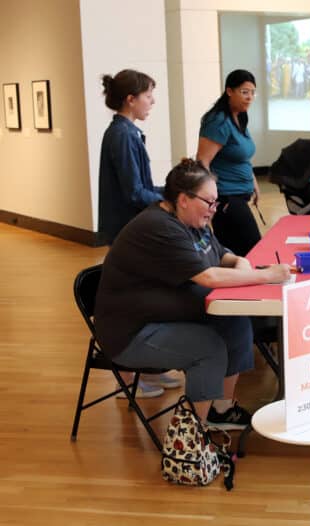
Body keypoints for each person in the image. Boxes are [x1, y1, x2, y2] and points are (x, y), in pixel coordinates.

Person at [94, 158, 291, 427]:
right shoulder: (160, 227)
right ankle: (196, 434)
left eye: (216, 202)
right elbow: (208, 276)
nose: (214, 209)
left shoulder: (192, 222)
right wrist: (266, 275)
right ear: (184, 199)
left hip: (162, 318)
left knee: (236, 323)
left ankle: (220, 411)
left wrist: (241, 265)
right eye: (208, 202)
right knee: (209, 347)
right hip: (131, 334)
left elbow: (222, 255)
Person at [98, 69, 177, 398]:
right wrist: (169, 199)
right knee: (135, 303)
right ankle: (135, 377)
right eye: (148, 95)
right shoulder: (123, 135)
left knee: (146, 298)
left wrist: (170, 193)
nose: (152, 101)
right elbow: (134, 192)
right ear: (130, 99)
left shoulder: (126, 132)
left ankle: (149, 371)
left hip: (131, 229)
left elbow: (140, 188)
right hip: (128, 232)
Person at [197, 69, 262, 257]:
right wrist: (210, 199)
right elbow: (202, 162)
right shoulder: (218, 121)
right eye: (244, 92)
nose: (249, 97)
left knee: (237, 253)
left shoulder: (239, 117)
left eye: (252, 92)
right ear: (229, 91)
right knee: (253, 250)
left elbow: (243, 157)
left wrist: (254, 184)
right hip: (226, 198)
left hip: (240, 195)